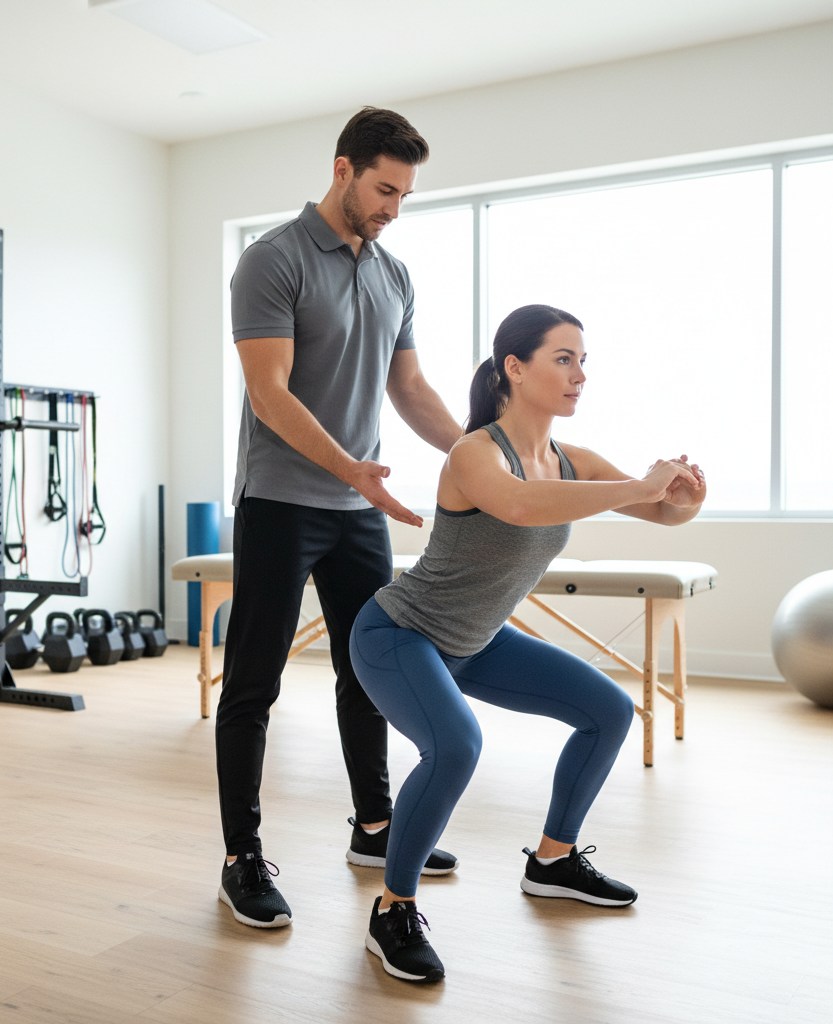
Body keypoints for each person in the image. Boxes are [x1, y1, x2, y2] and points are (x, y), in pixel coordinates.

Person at [349, 304, 707, 982]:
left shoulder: (572, 460)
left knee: (609, 711)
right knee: (456, 745)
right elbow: (517, 504)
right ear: (514, 367)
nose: (580, 375)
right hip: (399, 633)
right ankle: (393, 910)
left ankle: (553, 861)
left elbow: (663, 512)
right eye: (563, 359)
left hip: (479, 642)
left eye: (583, 361)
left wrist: (686, 495)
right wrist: (639, 484)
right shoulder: (474, 453)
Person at [217, 108, 464, 929]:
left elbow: (411, 389)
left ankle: (374, 828)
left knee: (370, 672)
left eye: (405, 195)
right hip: (281, 501)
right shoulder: (273, 259)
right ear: (342, 170)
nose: (394, 208)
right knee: (253, 683)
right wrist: (348, 467)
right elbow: (269, 393)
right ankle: (241, 859)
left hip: (360, 506)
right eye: (384, 190)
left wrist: (480, 454)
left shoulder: (394, 275)